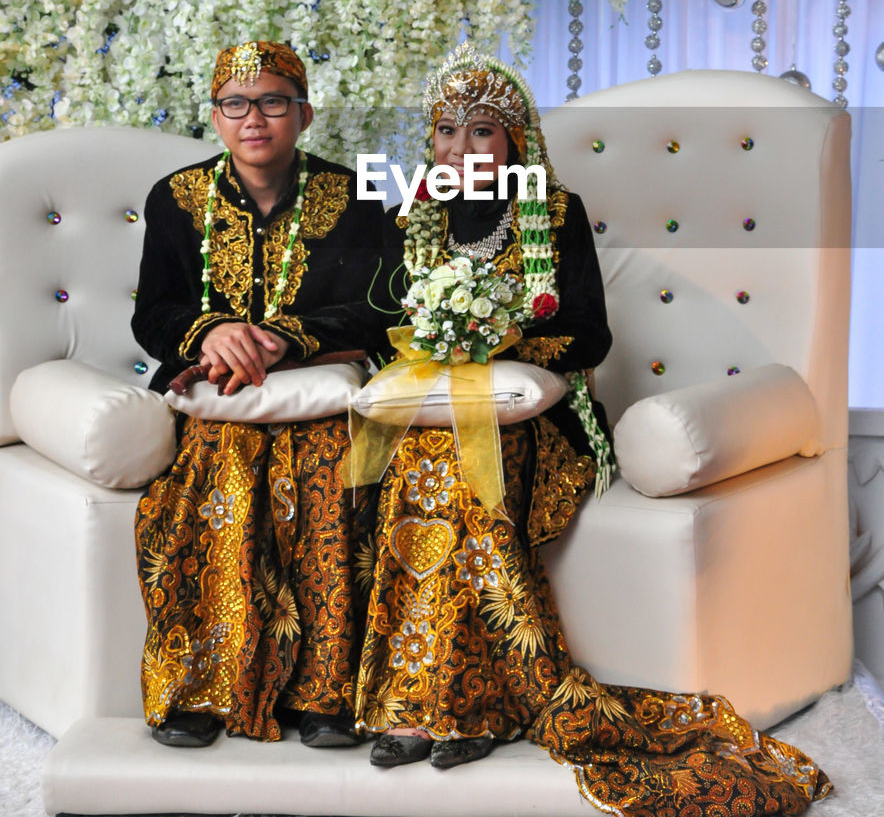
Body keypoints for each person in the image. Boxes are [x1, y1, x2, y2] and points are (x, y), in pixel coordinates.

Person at [350, 43, 830, 815]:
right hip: (432, 413)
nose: (461, 149)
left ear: (516, 142)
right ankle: (415, 699)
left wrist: (497, 340)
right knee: (425, 464)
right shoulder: (409, 215)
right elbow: (378, 322)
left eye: (482, 132)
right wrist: (437, 341)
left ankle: (470, 705)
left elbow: (588, 337)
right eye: (446, 131)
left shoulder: (554, 213)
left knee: (463, 472)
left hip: (544, 421)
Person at [132, 41, 382, 749]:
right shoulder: (178, 198)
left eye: (273, 102)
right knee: (216, 488)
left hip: (321, 398)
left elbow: (379, 310)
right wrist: (211, 332)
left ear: (303, 113)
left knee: (334, 488)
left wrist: (280, 338)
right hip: (217, 398)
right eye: (235, 104)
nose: (254, 119)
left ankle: (326, 697)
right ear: (215, 117)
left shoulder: (355, 198)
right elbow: (152, 313)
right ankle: (198, 691)